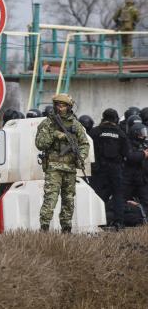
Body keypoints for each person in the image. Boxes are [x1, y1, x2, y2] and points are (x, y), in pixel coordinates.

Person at [35, 94, 90, 233]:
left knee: (68, 200)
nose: (61, 108)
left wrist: (80, 157)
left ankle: (66, 229)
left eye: (63, 105)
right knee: (50, 198)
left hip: (70, 167)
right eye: (58, 105)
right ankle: (44, 227)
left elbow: (84, 144)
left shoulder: (75, 125)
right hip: (53, 166)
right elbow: (40, 144)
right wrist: (54, 134)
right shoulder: (48, 123)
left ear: (69, 107)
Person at [90, 109, 128, 228]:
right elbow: (126, 152)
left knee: (98, 195)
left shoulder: (95, 132)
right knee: (118, 195)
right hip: (115, 169)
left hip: (99, 169)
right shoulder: (121, 134)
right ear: (116, 119)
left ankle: (97, 221)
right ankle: (119, 222)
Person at [122, 122, 148, 217]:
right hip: (128, 180)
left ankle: (141, 216)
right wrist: (143, 154)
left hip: (141, 180)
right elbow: (130, 156)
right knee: (121, 201)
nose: (144, 136)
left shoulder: (144, 144)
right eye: (141, 133)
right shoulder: (127, 143)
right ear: (135, 133)